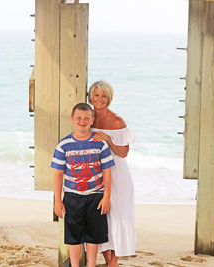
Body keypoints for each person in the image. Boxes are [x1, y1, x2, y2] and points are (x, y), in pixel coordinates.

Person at [51, 103, 115, 267]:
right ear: (73, 119)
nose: (82, 121)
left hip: (96, 196)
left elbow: (107, 171)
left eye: (87, 118)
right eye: (79, 117)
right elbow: (58, 174)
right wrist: (58, 200)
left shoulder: (100, 144)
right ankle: (75, 264)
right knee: (74, 236)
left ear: (92, 120)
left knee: (93, 236)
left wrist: (106, 196)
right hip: (72, 197)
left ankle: (91, 265)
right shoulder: (63, 145)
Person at [88, 80, 137, 267]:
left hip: (117, 174)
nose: (100, 99)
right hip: (96, 175)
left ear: (110, 98)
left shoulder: (117, 120)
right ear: (91, 96)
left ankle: (113, 262)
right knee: (103, 219)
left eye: (104, 95)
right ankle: (108, 261)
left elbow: (124, 152)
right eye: (97, 95)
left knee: (118, 216)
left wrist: (108, 139)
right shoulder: (88, 117)